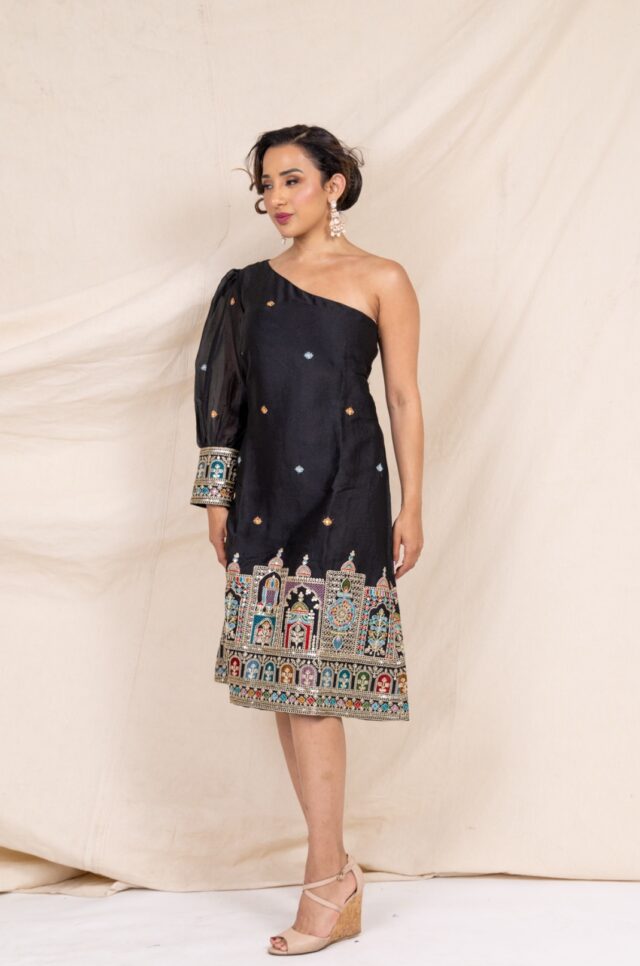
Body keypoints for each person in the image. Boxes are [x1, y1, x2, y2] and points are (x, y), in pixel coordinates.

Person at [190, 124, 424, 955]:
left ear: (334, 186)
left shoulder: (383, 278)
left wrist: (414, 506)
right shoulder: (245, 289)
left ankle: (326, 877)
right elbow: (222, 394)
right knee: (287, 688)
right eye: (266, 185)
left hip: (349, 491)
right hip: (265, 498)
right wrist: (216, 497)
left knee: (317, 691)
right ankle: (335, 873)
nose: (276, 198)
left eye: (292, 180)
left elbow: (403, 397)